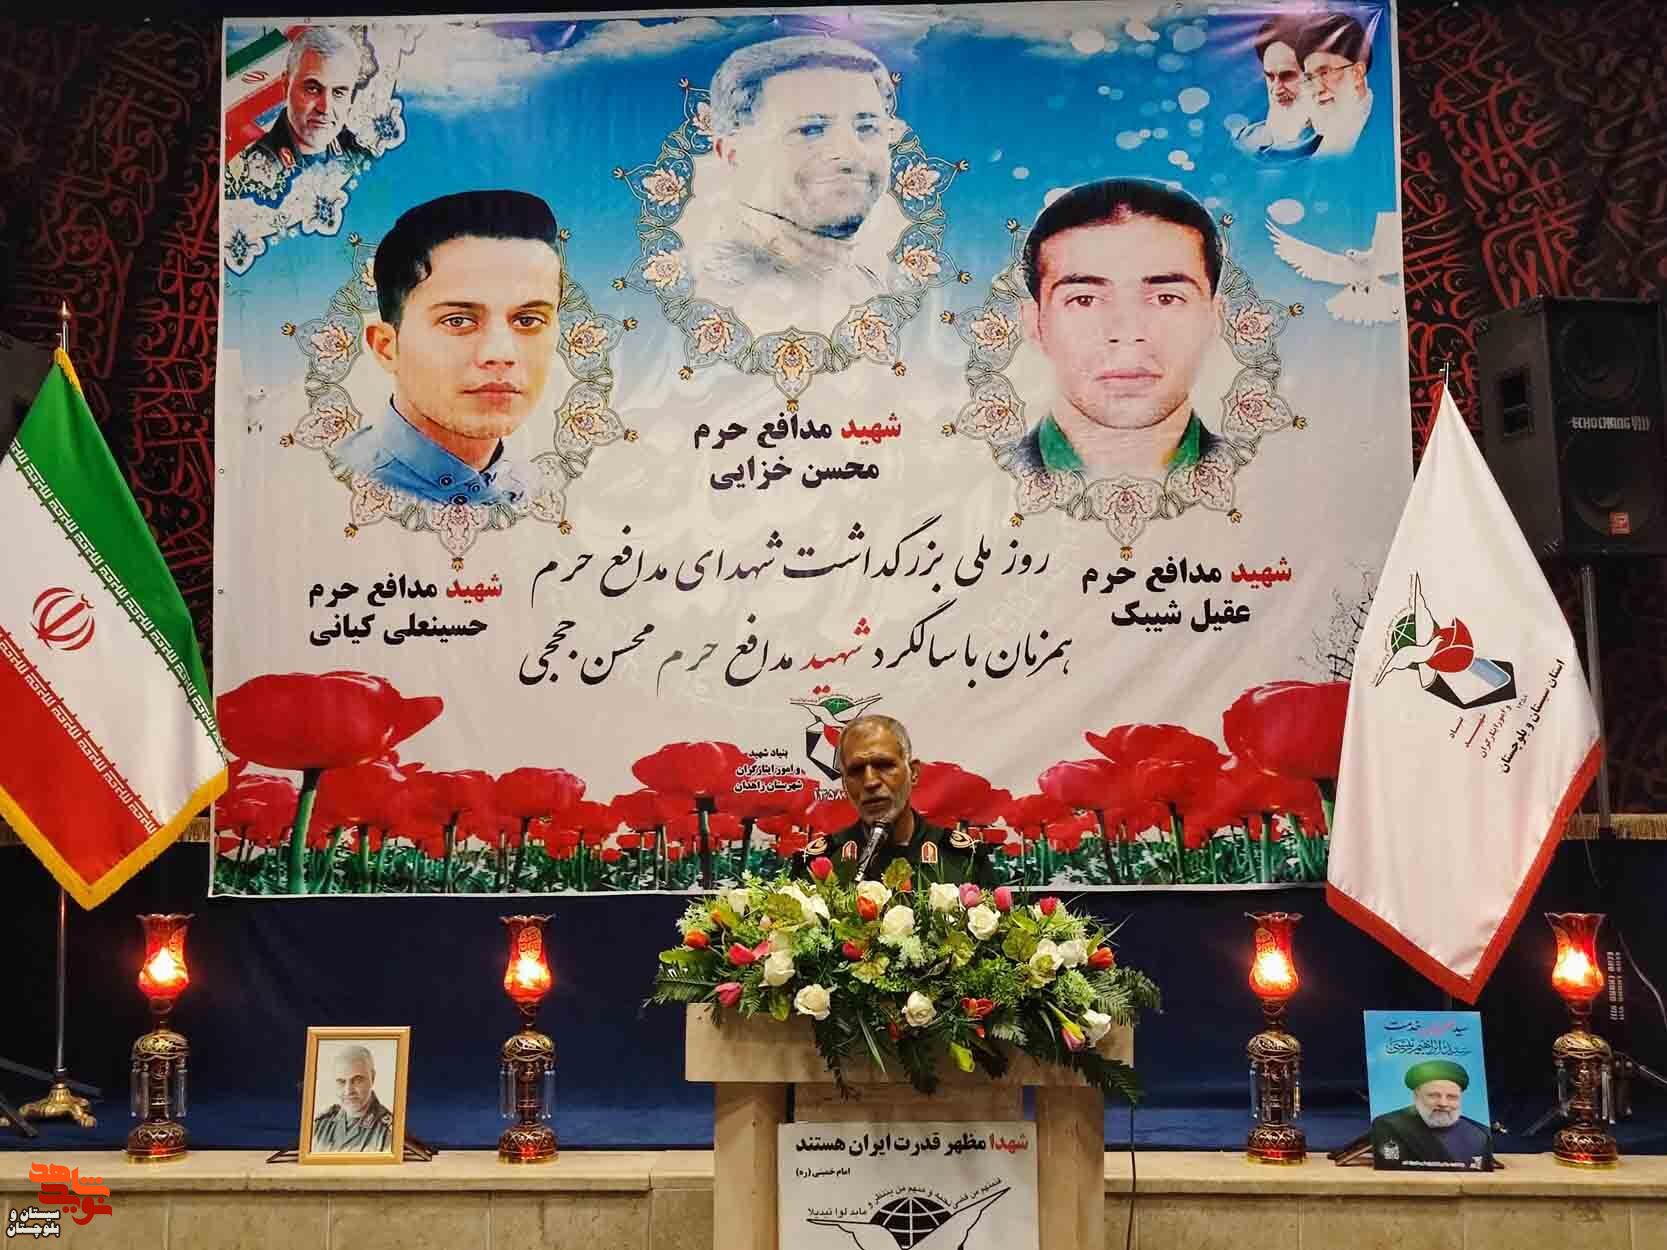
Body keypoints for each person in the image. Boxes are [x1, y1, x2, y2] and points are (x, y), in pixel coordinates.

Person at [331, 190, 565, 507]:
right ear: (387, 347)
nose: (500, 354)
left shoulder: (539, 494)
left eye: (528, 320)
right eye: (458, 321)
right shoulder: (338, 486)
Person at [1008, 179, 1225, 482]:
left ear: (1214, 319)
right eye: (1084, 300)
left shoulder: (1268, 478)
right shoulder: (980, 483)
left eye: (1166, 298)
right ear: (1034, 323)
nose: (1127, 333)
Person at [690, 36, 904, 326]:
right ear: (732, 153)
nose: (850, 153)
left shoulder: (866, 284)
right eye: (810, 130)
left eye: (867, 127)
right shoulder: (714, 292)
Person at [794, 715, 995, 887]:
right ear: (844, 784)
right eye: (856, 770)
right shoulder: (816, 864)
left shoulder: (964, 860)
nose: (870, 782)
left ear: (913, 773)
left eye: (884, 765)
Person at [248, 26, 370, 170]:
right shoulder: (254, 166)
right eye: (313, 89)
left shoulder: (362, 158)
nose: (325, 108)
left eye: (338, 93)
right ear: (286, 86)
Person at [1370, 1060, 1493, 1168]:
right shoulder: (1389, 1125)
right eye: (1434, 1095)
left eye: (1452, 1097)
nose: (1443, 1103)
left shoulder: (1481, 1134)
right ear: (1416, 1095)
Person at [1232, 16, 1320, 162]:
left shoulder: (1331, 143)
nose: (1277, 90)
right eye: (1270, 77)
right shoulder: (1246, 139)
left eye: (1287, 76)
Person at [1300, 13, 1374, 158]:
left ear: (1357, 73)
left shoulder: (1383, 128)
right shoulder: (1307, 139)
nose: (1318, 89)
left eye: (1325, 73)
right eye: (1310, 78)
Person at [311, 1045, 394, 1153]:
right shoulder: (321, 1125)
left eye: (357, 1080)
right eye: (341, 1082)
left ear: (372, 1078)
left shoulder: (388, 1131)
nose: (348, 1091)